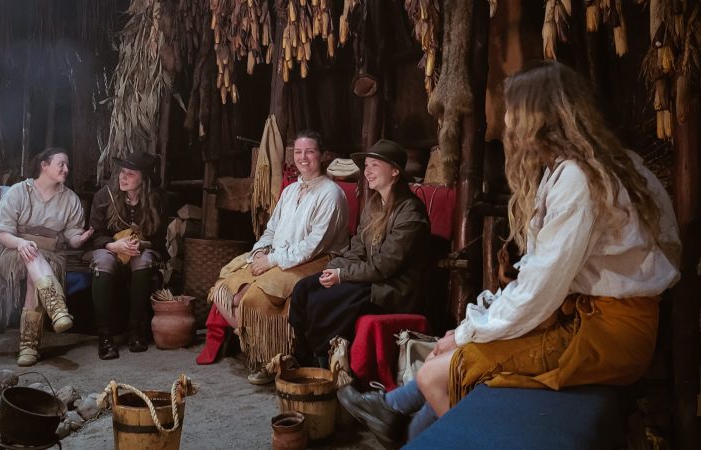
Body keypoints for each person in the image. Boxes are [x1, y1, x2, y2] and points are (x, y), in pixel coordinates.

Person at [337, 60, 681, 448]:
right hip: (585, 317)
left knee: (440, 371)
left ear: (536, 117)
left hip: (610, 335)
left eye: (512, 114)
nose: (505, 126)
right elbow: (540, 276)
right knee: (443, 358)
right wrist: (471, 327)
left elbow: (539, 290)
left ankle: (402, 418)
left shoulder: (581, 179)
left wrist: (468, 333)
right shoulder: (593, 167)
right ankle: (393, 413)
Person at [206, 130, 349, 382]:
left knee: (254, 300)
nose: (303, 158)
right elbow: (271, 229)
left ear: (322, 155)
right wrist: (260, 250)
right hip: (280, 254)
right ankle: (256, 344)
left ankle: (272, 360)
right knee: (224, 289)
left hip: (318, 259)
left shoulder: (331, 194)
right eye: (298, 152)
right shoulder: (290, 191)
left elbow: (313, 245)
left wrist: (272, 261)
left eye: (310, 151)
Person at [289, 139, 430, 370]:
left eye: (375, 165)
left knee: (325, 301)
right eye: (366, 166)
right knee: (305, 288)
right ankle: (303, 356)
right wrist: (332, 267)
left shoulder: (410, 212)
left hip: (392, 288)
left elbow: (384, 267)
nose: (367, 171)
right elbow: (357, 249)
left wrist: (341, 275)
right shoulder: (374, 206)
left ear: (395, 171)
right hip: (370, 278)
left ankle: (323, 363)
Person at [0, 148, 94, 367]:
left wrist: (79, 240)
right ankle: (56, 310)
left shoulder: (70, 198)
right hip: (15, 251)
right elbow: (2, 233)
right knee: (32, 255)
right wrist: (21, 242)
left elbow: (71, 236)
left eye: (67, 165)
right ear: (44, 165)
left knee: (36, 275)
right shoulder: (18, 192)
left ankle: (28, 346)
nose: (66, 169)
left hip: (52, 255)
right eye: (61, 164)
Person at [88, 151, 170, 360]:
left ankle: (135, 331)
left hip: (139, 249)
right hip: (110, 247)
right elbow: (95, 234)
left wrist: (142, 244)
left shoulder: (157, 199)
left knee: (143, 260)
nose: (123, 177)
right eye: (122, 172)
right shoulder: (104, 196)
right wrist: (113, 246)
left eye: (130, 174)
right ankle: (105, 337)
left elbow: (161, 240)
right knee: (104, 262)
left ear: (144, 178)